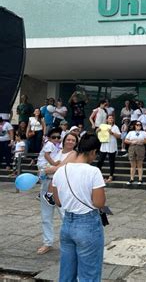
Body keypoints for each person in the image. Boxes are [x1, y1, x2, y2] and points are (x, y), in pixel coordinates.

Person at [52, 133, 106, 282]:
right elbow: (99, 203)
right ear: (93, 152)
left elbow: (58, 201)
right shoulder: (93, 172)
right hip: (87, 225)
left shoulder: (60, 170)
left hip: (67, 224)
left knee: (66, 274)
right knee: (89, 275)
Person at [36, 128, 63, 255]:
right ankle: (47, 242)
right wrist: (53, 166)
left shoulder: (63, 152)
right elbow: (45, 165)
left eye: (59, 137)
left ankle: (68, 242)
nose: (57, 139)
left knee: (64, 214)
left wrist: (53, 168)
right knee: (46, 216)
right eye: (54, 137)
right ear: (49, 138)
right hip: (46, 182)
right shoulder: (49, 146)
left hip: (60, 185)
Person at [96, 114, 121, 183]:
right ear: (107, 119)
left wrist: (112, 133)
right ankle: (97, 175)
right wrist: (98, 130)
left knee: (111, 161)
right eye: (109, 118)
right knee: (100, 161)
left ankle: (111, 176)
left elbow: (119, 136)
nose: (111, 119)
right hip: (104, 146)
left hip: (112, 146)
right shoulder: (103, 126)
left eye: (112, 118)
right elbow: (97, 133)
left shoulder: (115, 127)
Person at [124, 121, 146, 185]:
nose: (139, 126)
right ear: (135, 126)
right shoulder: (131, 132)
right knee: (132, 164)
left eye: (140, 125)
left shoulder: (143, 132)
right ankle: (131, 178)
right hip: (132, 147)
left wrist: (142, 142)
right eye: (137, 125)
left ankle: (140, 179)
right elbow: (126, 140)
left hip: (140, 148)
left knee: (139, 164)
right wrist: (131, 142)